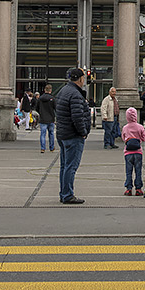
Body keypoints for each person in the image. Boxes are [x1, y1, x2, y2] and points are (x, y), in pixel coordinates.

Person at [55, 67, 92, 204]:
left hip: (63, 133)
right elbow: (77, 117)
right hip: (73, 135)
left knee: (65, 166)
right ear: (81, 79)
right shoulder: (75, 94)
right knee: (71, 166)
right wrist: (83, 132)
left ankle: (64, 193)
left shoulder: (63, 91)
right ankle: (67, 195)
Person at [121, 106, 145, 196]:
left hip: (128, 152)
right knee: (138, 171)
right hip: (138, 151)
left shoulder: (125, 127)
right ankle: (138, 188)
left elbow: (123, 138)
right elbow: (143, 138)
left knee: (128, 171)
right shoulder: (140, 127)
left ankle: (128, 188)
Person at [36, 83, 57, 153]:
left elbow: (37, 108)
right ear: (50, 90)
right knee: (51, 133)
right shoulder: (52, 99)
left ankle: (43, 148)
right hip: (51, 118)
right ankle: (51, 147)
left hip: (43, 119)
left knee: (43, 134)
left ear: (45, 90)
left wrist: (41, 113)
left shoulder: (40, 99)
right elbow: (56, 108)